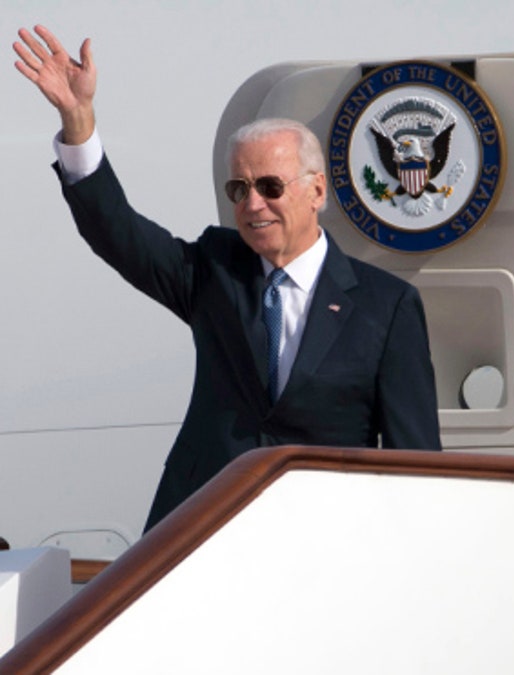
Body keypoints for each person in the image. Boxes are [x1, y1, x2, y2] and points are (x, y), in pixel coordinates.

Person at [14, 25, 441, 532]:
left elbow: (415, 462)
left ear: (317, 190)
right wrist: (78, 121)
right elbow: (117, 233)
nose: (252, 203)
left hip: (325, 540)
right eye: (239, 188)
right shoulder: (215, 271)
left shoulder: (385, 307)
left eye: (269, 186)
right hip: (201, 529)